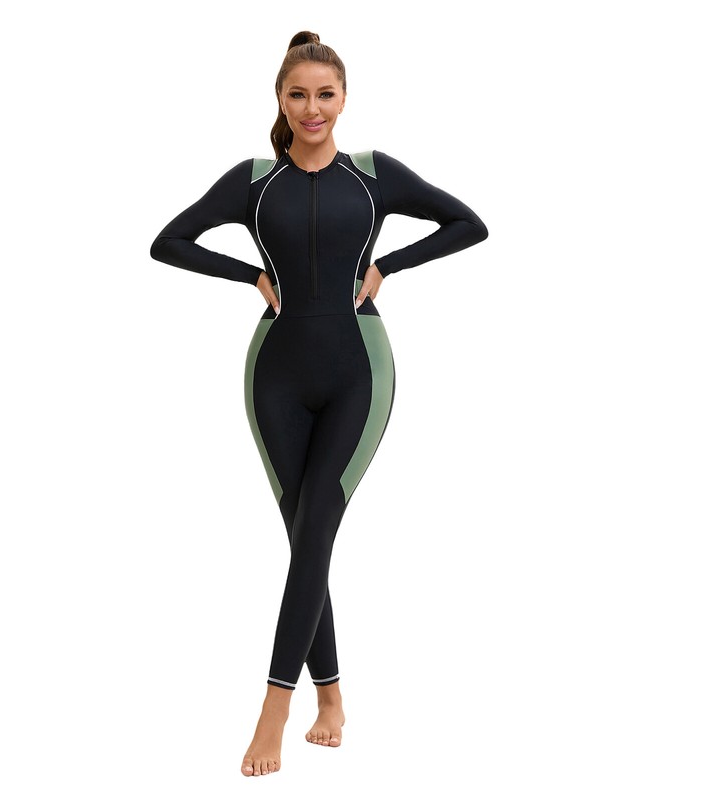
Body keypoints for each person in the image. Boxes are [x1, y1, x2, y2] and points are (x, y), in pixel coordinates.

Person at [149, 30, 488, 777]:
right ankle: (330, 698)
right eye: (298, 94)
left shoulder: (372, 175)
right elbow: (168, 242)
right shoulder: (252, 182)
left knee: (314, 533)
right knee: (305, 537)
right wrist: (248, 276)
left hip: (358, 370)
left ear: (344, 99)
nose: (312, 108)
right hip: (273, 374)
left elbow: (469, 223)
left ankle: (273, 710)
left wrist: (388, 265)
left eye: (325, 95)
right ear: (279, 98)